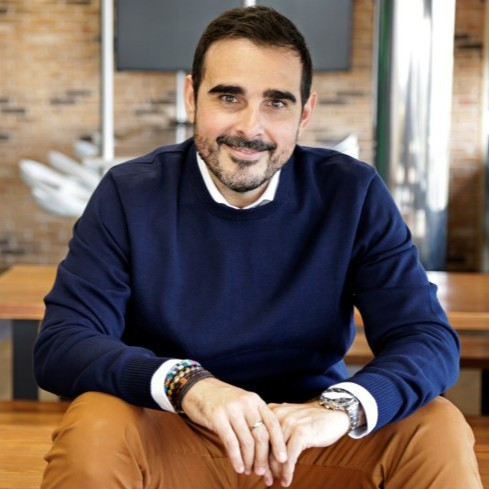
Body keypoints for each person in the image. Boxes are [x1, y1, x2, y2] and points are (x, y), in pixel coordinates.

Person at [34, 6, 482, 488]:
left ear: (304, 112)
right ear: (191, 96)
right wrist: (187, 385)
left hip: (309, 441)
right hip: (173, 433)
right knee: (97, 421)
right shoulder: (128, 193)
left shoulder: (353, 193)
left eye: (276, 103)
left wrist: (341, 409)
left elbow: (427, 337)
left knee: (436, 425)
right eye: (229, 97)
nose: (250, 128)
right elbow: (63, 342)